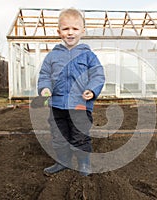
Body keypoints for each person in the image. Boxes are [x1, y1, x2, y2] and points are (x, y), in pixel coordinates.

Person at [37, 8, 105, 176]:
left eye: (75, 28)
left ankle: (83, 164)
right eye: (66, 29)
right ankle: (63, 162)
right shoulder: (52, 56)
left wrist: (91, 89)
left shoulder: (88, 55)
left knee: (79, 136)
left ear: (82, 31)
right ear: (59, 32)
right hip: (57, 105)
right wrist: (45, 89)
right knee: (58, 136)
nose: (70, 33)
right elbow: (44, 75)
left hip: (80, 105)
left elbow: (98, 74)